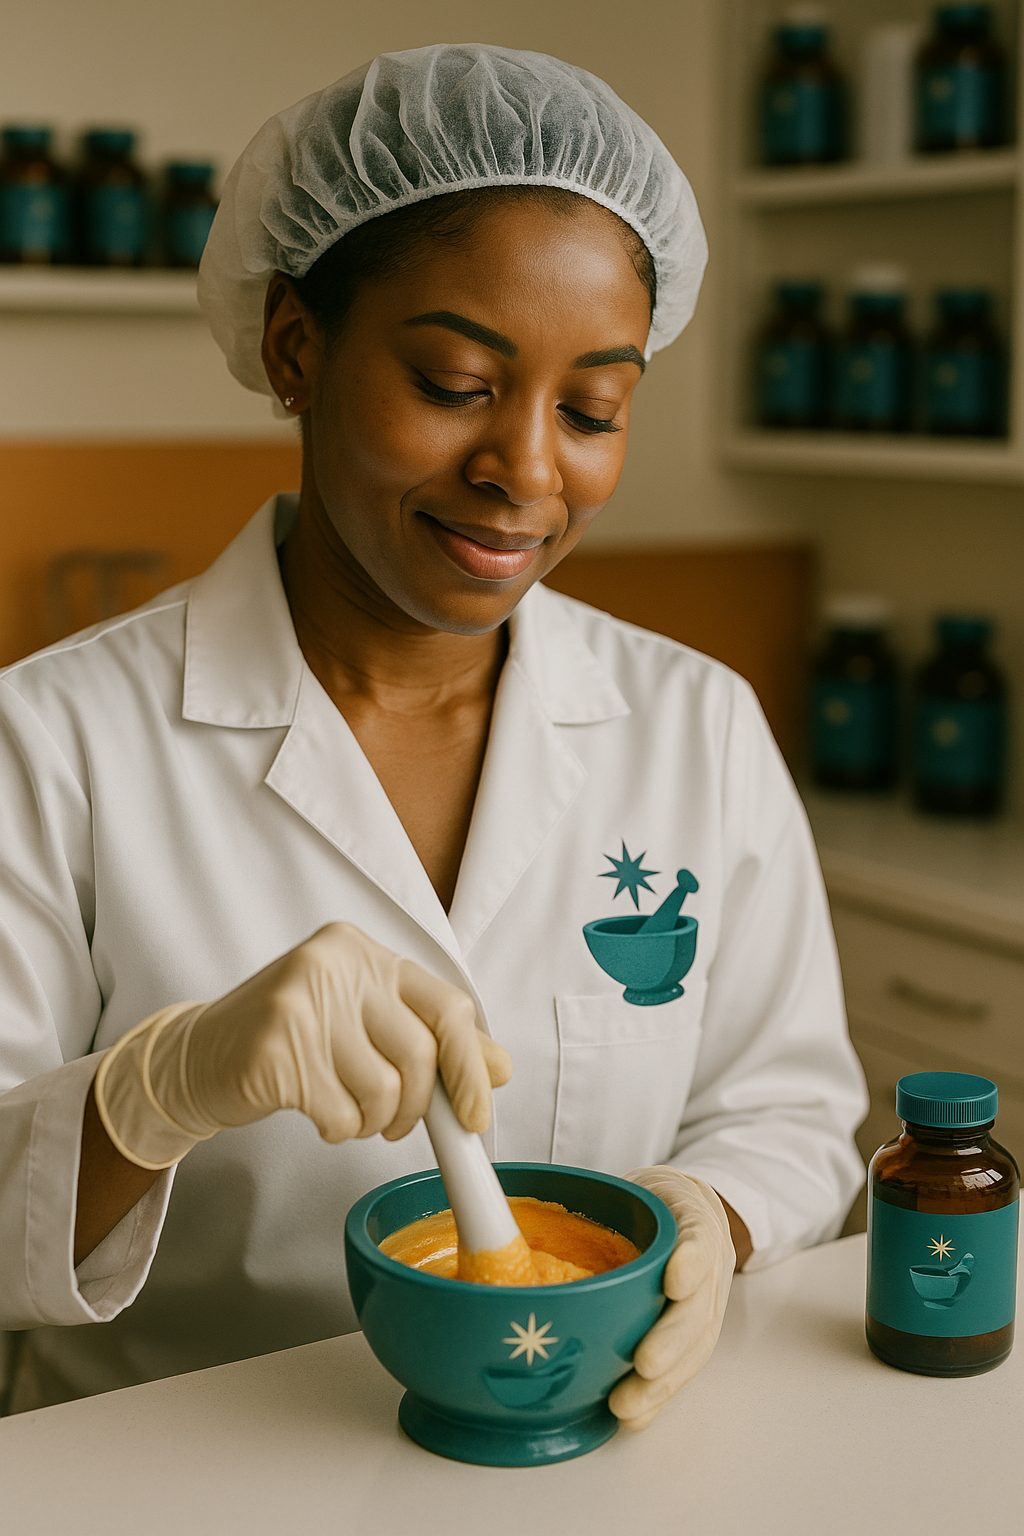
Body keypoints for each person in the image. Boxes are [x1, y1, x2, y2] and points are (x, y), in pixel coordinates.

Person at [0, 43, 866, 1422]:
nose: (528, 471)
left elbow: (792, 1109)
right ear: (296, 348)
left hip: (595, 1453)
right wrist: (153, 1092)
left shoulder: (694, 725)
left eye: (594, 409)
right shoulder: (53, 741)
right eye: (459, 381)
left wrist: (711, 1216)